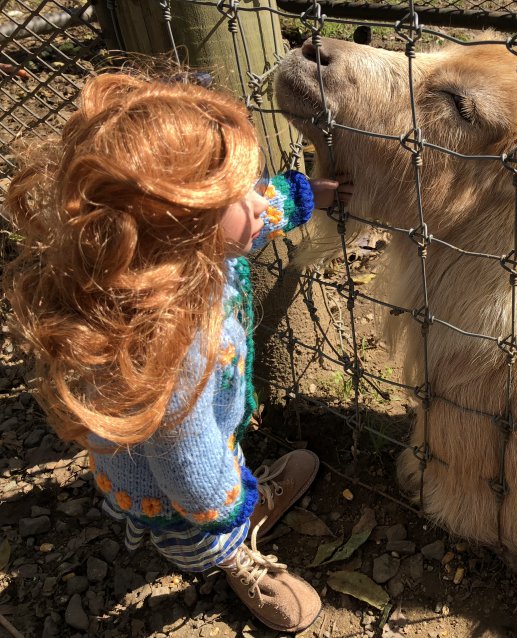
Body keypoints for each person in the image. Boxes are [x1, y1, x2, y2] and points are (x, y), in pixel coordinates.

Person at [2, 71, 349, 633]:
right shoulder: (171, 342)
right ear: (181, 226)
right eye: (234, 196)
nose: (255, 200)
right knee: (200, 530)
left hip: (174, 449)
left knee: (214, 467)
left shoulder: (165, 263)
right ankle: (237, 555)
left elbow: (252, 220)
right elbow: (184, 459)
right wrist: (224, 502)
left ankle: (232, 505)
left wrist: (299, 196)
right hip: (177, 486)